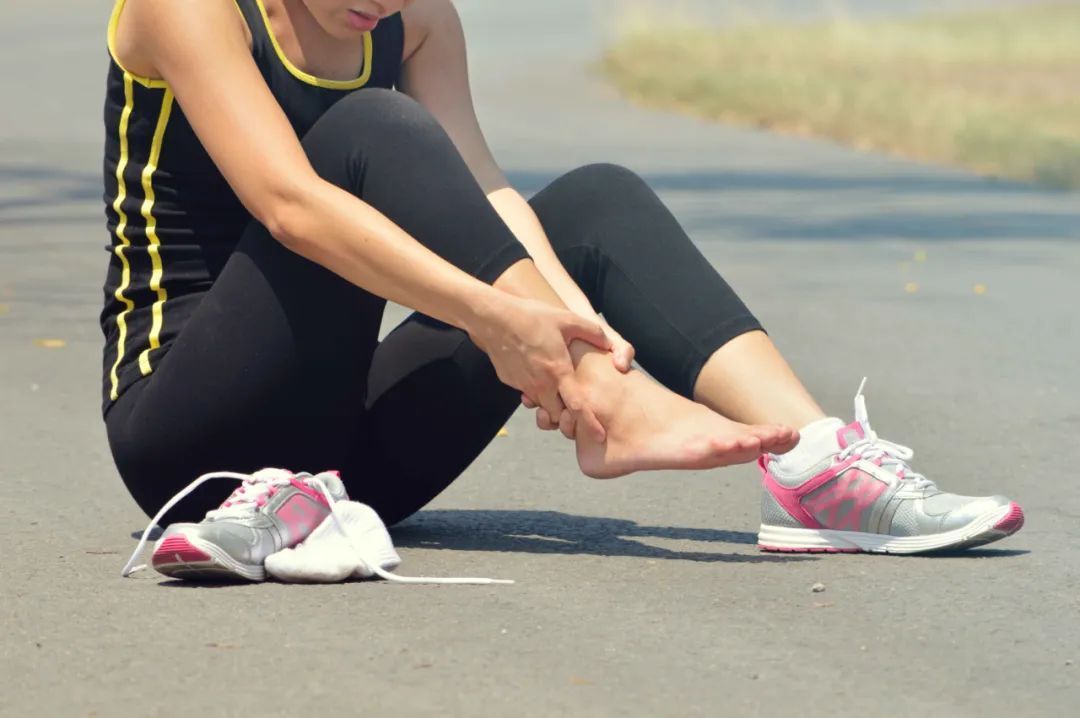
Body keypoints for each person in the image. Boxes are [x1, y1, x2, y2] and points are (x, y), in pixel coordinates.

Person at [101, 0, 1023, 581]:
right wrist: (501, 322)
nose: (382, 2)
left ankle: (818, 467)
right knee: (372, 128)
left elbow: (488, 197)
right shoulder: (187, 6)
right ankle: (616, 406)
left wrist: (572, 335)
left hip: (343, 468)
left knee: (591, 203)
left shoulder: (413, 19)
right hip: (191, 435)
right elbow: (291, 207)